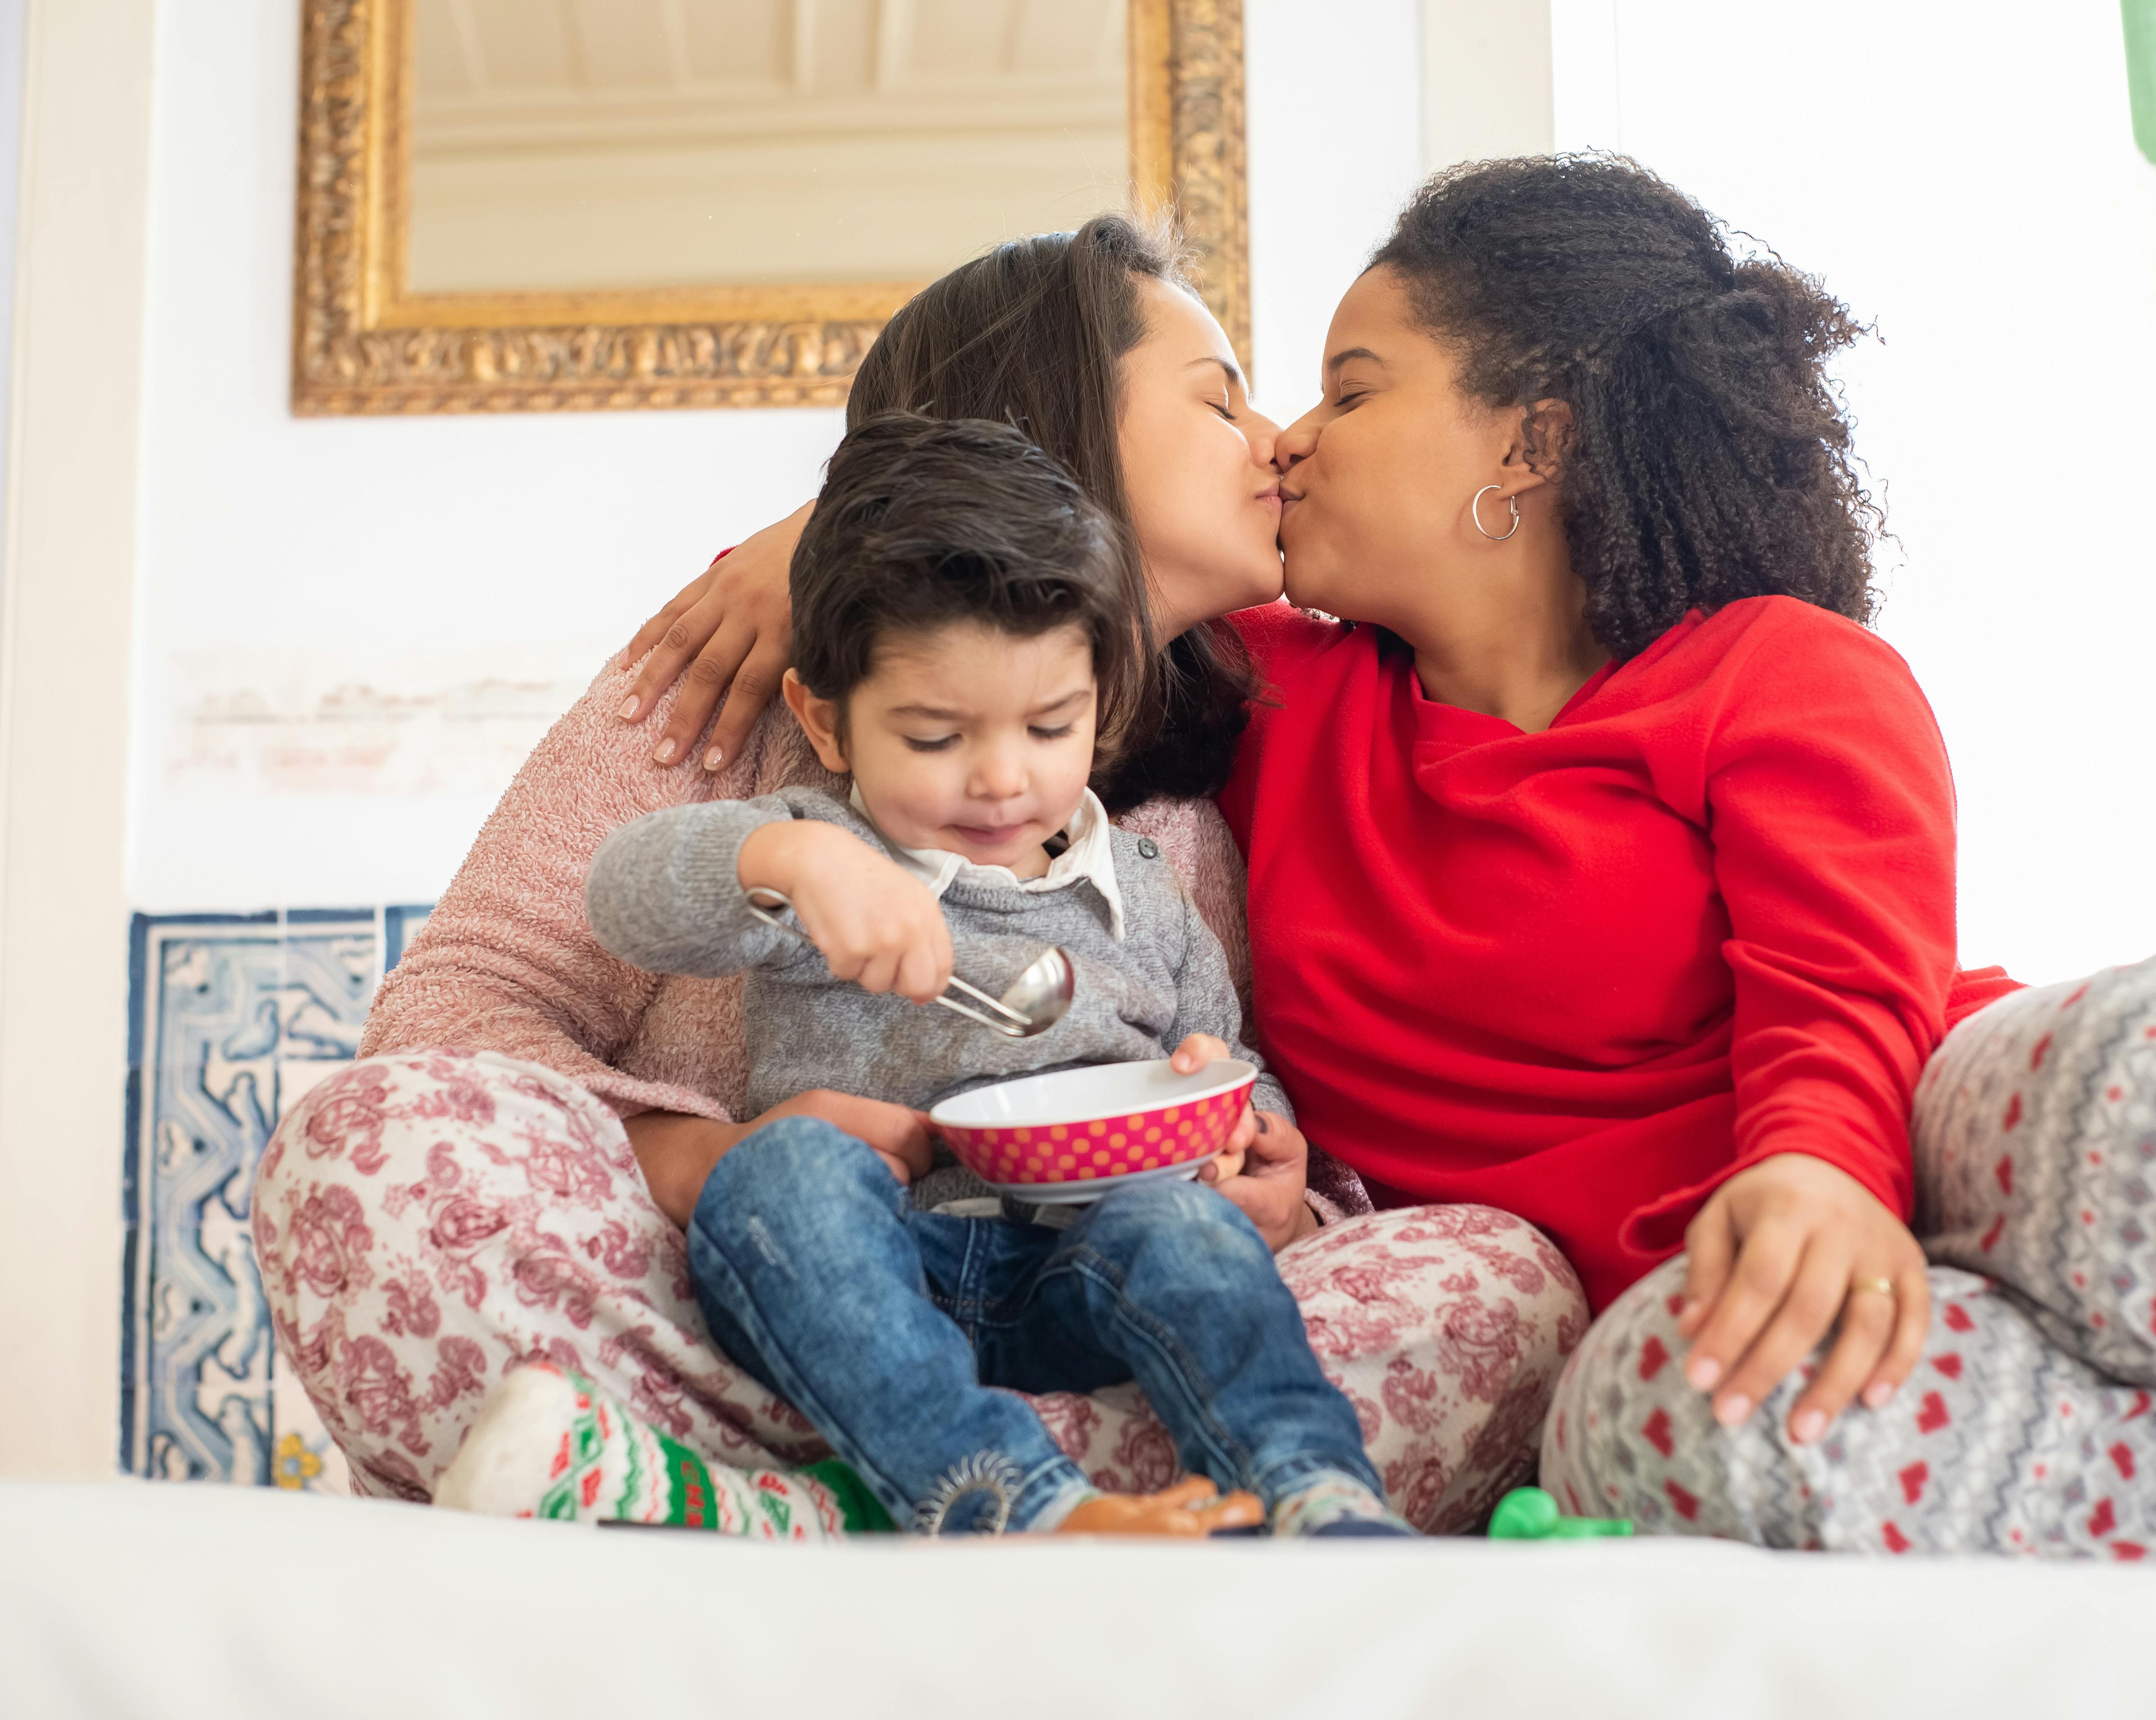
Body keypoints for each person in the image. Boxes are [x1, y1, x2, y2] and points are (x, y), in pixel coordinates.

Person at [623, 154, 2156, 1560]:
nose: (1289, 435)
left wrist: (1819, 1167)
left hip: (1903, 1118)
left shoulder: (1779, 679)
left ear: (1524, 448)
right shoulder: (1287, 701)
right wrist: (814, 537)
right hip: (1675, 1297)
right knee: (1674, 1427)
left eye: (1352, 383)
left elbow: (1849, 991)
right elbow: (1026, 567)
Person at [254, 216, 1582, 1535]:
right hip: (755, 1301)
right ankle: (973, 1485)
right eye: (1218, 400)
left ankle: (812, 1500)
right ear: (1061, 427)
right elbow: (450, 1014)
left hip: (1083, 1302)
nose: (1277, 436)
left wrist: (1276, 1185)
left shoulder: (1215, 775)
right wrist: (707, 1158)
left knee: (1499, 1287)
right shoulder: (736, 679)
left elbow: (1224, 1076)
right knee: (361, 1154)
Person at [567, 411, 1398, 1538]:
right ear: (825, 716)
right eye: (933, 738)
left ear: (1098, 703)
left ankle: (1313, 1490)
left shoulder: (1147, 891)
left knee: (1186, 1232)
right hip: (867, 1270)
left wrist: (1245, 1127)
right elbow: (627, 894)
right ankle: (1002, 1495)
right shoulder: (821, 860)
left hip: (1079, 1269)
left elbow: (1230, 1060)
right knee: (781, 1176)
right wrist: (784, 857)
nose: (1002, 780)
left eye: (1049, 725)